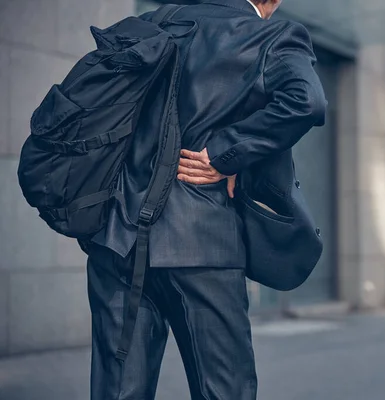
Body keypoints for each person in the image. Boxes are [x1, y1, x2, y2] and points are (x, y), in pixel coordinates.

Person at [84, 0, 327, 399]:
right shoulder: (273, 35)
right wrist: (225, 153)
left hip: (116, 239)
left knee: (117, 392)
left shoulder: (150, 24)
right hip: (202, 247)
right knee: (224, 390)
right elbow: (307, 101)